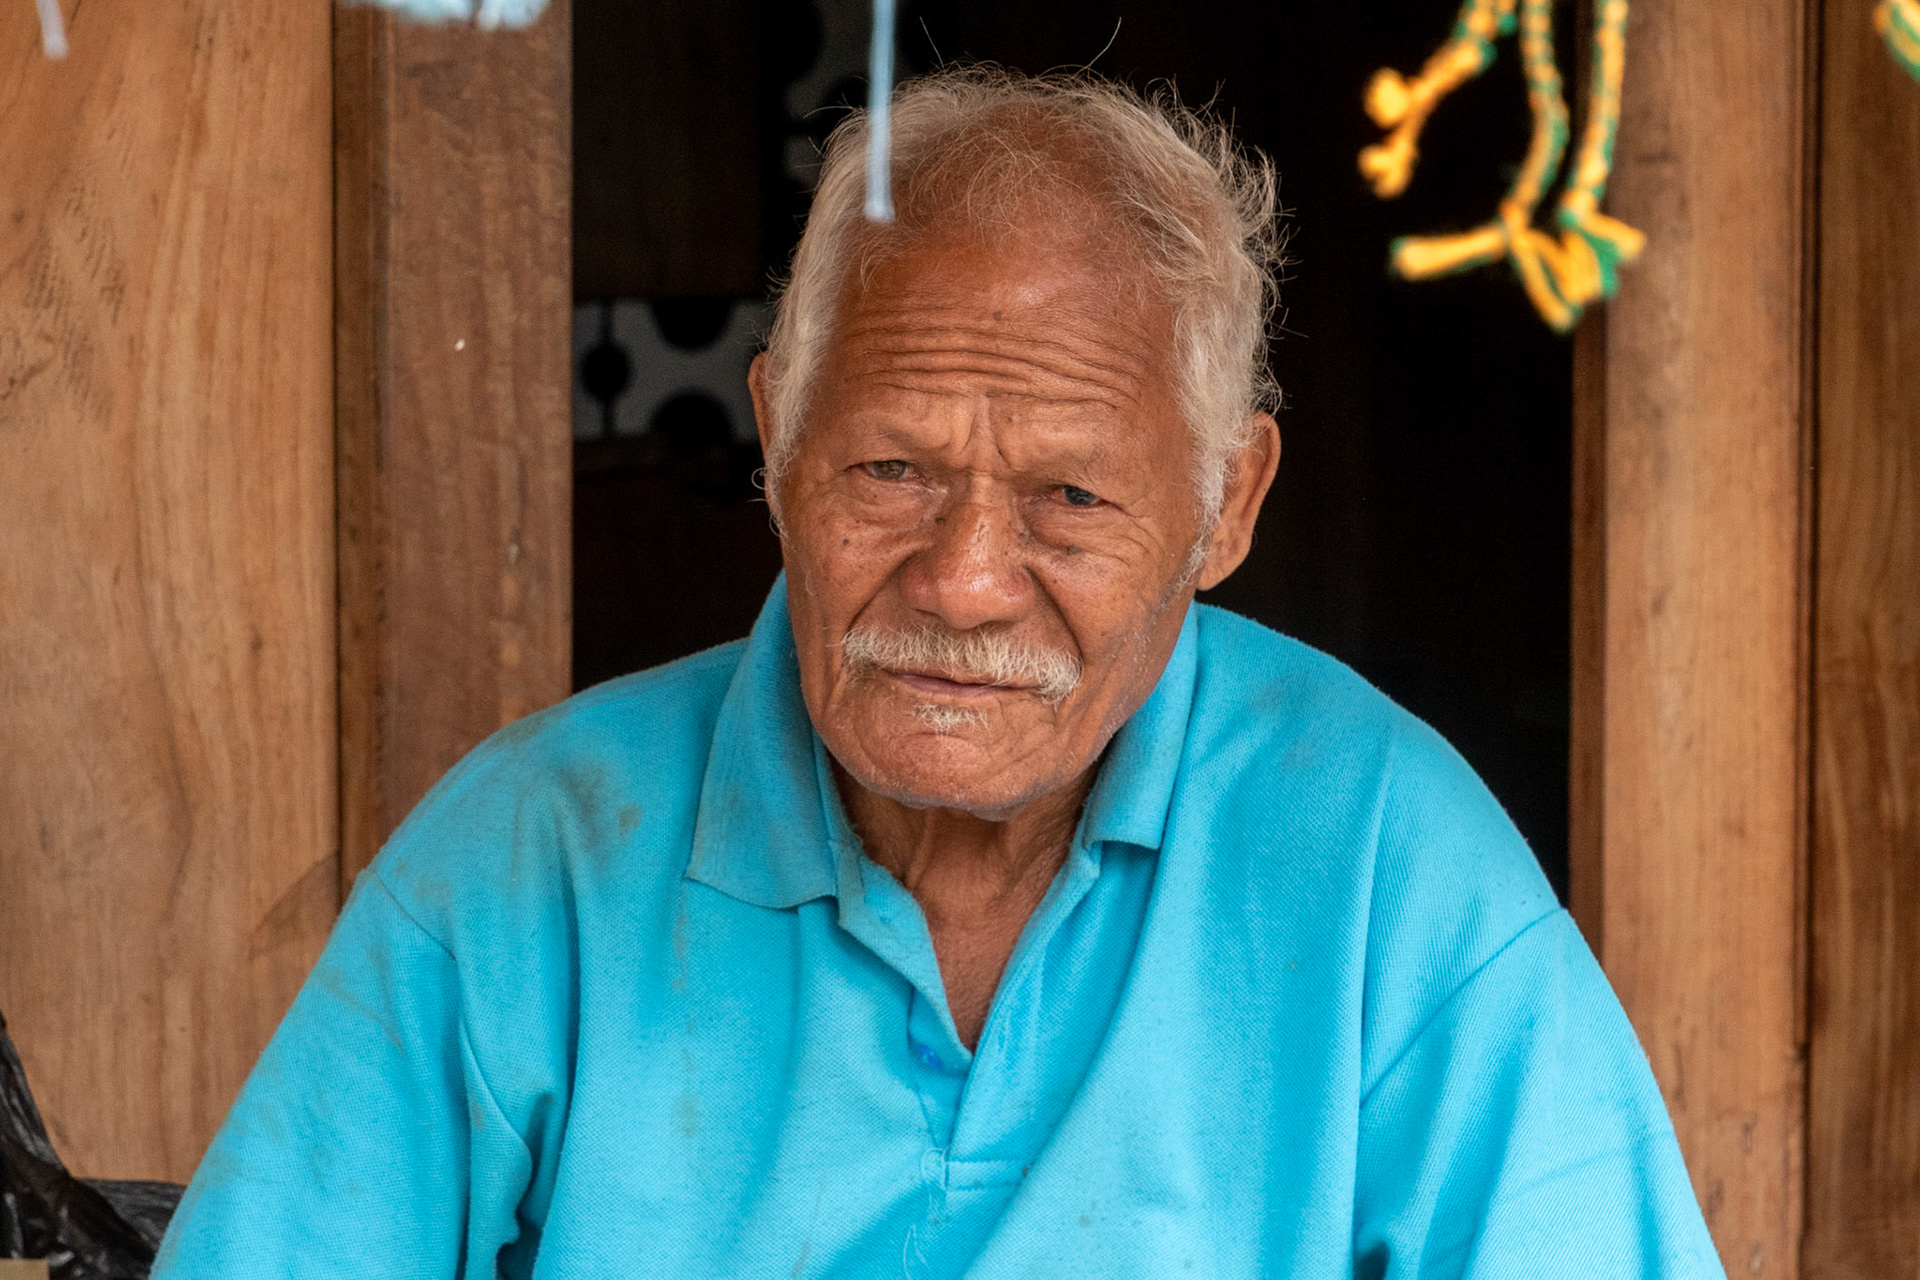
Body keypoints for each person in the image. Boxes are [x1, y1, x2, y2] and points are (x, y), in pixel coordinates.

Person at [154, 68, 1723, 1278]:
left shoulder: (1390, 865)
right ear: (775, 438)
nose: (966, 582)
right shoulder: (527, 863)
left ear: (1225, 507)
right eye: (892, 469)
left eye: (1072, 497)